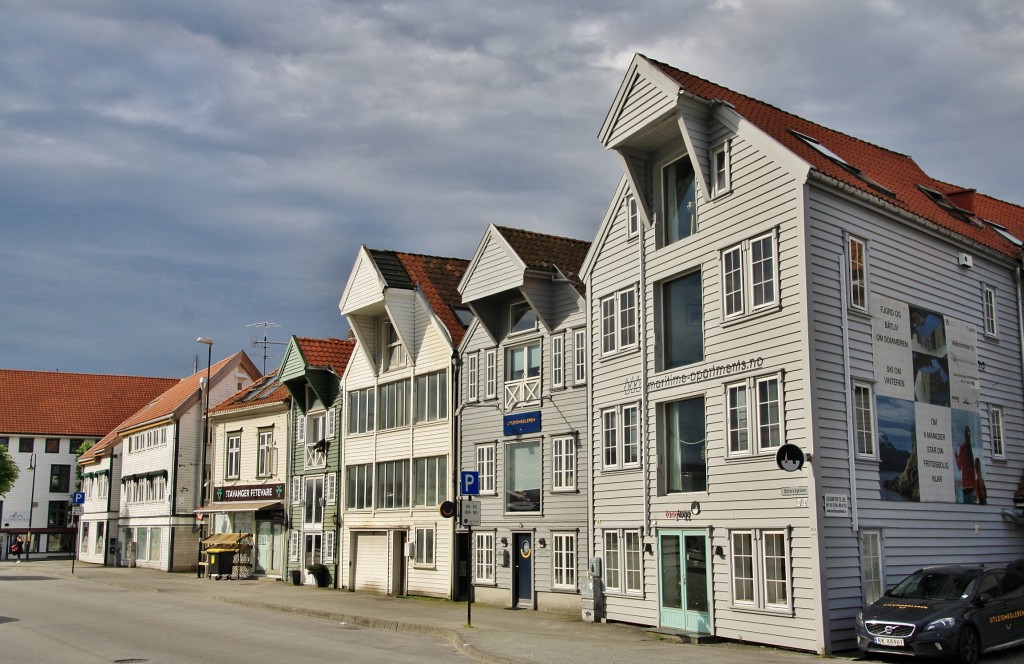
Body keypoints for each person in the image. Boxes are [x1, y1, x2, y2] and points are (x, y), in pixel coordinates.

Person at [955, 426, 977, 504]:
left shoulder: (963, 448)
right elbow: (970, 470)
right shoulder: (967, 449)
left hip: (965, 486)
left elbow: (959, 467)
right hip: (969, 486)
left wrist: (956, 457)